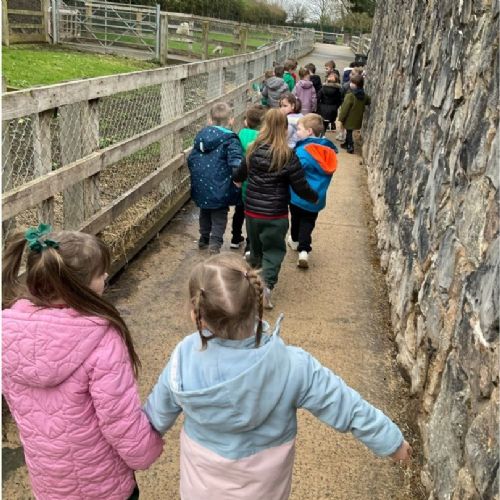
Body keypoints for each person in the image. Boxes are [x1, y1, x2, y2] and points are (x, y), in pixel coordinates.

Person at [144, 252, 413, 500]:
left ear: (197, 315)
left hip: (201, 489)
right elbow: (345, 405)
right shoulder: (292, 365)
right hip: (265, 489)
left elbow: (155, 417)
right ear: (258, 299)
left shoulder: (183, 359)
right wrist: (391, 441)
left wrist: (135, 451)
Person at [2, 225, 164, 500]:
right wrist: (145, 451)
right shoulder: (101, 338)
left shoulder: (9, 333)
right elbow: (118, 418)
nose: (106, 276)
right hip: (102, 483)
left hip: (49, 482)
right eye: (100, 274)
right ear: (76, 286)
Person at [232, 109, 318, 308]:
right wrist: (314, 197)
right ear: (285, 129)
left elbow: (239, 175)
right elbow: (301, 186)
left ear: (265, 126)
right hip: (275, 214)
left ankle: (253, 285)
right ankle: (266, 287)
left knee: (256, 249)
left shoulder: (253, 150)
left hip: (252, 211)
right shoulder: (287, 155)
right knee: (273, 251)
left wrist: (237, 181)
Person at [188, 102, 243, 253]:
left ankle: (204, 238)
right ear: (231, 120)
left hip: (200, 183)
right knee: (219, 213)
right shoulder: (231, 140)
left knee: (205, 210)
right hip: (220, 185)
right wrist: (238, 180)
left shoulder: (200, 137)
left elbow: (191, 158)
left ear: (210, 120)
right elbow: (236, 162)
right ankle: (215, 243)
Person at [288, 114, 337, 268]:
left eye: (299, 129)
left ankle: (294, 241)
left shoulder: (302, 151)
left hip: (298, 196)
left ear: (309, 131)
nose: (297, 132)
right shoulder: (329, 152)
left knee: (296, 219)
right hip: (317, 197)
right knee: (308, 223)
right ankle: (304, 250)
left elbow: (294, 172)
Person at [235, 104, 268, 251]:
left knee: (239, 210)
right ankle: (250, 243)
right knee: (251, 214)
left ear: (246, 121)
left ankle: (235, 237)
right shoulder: (263, 138)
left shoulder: (241, 133)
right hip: (256, 182)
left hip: (241, 177)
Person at [338, 74, 371, 154]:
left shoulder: (350, 96)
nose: (351, 84)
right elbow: (368, 101)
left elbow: (345, 108)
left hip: (349, 117)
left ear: (356, 85)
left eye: (353, 83)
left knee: (349, 132)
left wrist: (341, 118)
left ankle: (350, 146)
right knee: (349, 131)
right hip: (358, 118)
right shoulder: (364, 95)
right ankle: (346, 143)